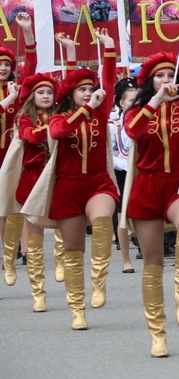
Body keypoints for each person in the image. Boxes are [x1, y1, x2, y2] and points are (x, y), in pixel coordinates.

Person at [123, 1, 179, 357]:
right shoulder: (139, 109)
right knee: (152, 261)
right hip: (146, 186)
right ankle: (157, 332)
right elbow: (133, 131)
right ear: (149, 81)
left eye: (170, 74)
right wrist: (155, 100)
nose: (166, 79)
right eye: (159, 75)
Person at [23, 30, 119, 331]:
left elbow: (111, 78)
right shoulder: (57, 117)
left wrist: (110, 49)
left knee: (103, 220)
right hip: (67, 187)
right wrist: (85, 109)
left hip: (97, 182)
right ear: (70, 96)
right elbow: (59, 133)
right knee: (73, 251)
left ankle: (99, 280)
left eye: (91, 88)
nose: (89, 93)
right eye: (82, 90)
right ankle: (77, 309)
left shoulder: (100, 111)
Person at [0, 72, 57, 311]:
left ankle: (62, 261)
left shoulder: (58, 114)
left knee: (62, 221)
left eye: (49, 92)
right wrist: (56, 128)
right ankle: (30, 284)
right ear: (32, 96)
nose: (45, 96)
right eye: (40, 92)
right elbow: (30, 136)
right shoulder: (24, 118)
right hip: (30, 179)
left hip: (54, 177)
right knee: (21, 227)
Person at [1, 12, 38, 285]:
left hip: (16, 155)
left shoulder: (20, 87)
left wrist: (27, 31)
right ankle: (7, 248)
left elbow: (33, 62)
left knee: (22, 201)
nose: (2, 68)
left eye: (6, 64)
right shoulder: (12, 93)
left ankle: (26, 249)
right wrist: (9, 98)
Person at [110, 78, 139, 273]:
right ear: (121, 102)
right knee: (122, 215)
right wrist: (126, 165)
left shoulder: (145, 119)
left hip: (141, 171)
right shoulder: (113, 124)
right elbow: (110, 155)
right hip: (122, 172)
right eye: (130, 100)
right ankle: (126, 259)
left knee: (141, 214)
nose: (135, 104)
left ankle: (146, 247)